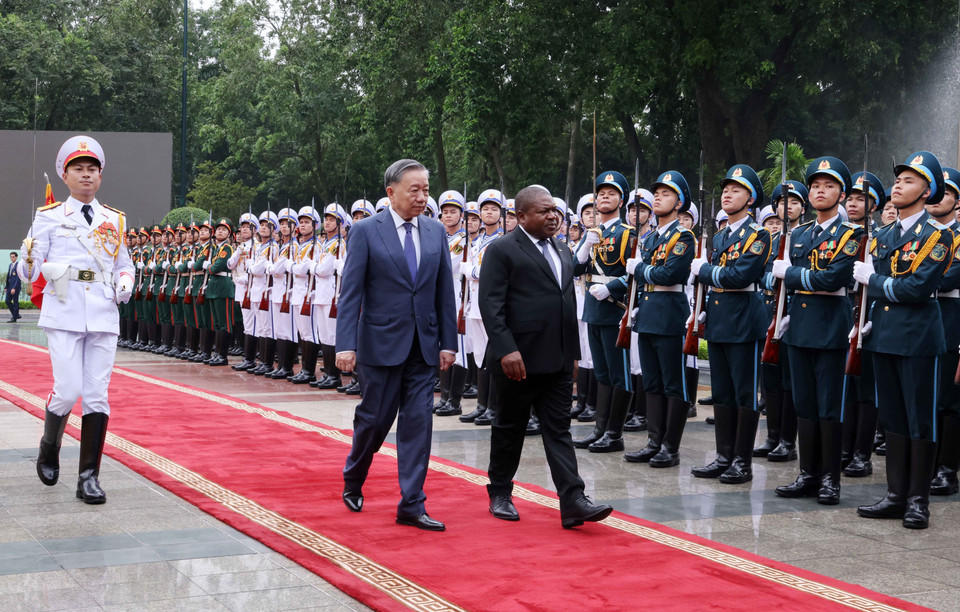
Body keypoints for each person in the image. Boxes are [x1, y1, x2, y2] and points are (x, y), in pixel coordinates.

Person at [479, 184, 613, 528]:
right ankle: (500, 492)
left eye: (554, 210)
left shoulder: (562, 249)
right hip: (518, 359)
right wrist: (506, 349)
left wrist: (573, 354)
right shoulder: (502, 249)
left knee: (559, 429)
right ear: (522, 216)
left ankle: (573, 500)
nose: (553, 216)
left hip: (557, 359)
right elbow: (491, 305)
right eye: (544, 211)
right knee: (509, 427)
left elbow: (566, 303)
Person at [337, 159, 457, 531]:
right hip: (379, 344)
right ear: (391, 193)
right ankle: (354, 476)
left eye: (426, 190)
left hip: (423, 346)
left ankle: (412, 503)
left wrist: (448, 342)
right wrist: (345, 345)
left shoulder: (435, 231)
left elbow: (444, 291)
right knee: (374, 421)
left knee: (418, 423)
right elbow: (351, 292)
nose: (422, 197)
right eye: (414, 190)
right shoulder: (365, 231)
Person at [20, 135, 134, 504]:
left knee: (97, 394)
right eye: (78, 169)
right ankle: (49, 445)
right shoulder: (48, 216)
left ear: (100, 176)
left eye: (92, 169)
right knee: (68, 390)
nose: (86, 175)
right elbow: (29, 269)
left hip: (102, 310)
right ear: (65, 176)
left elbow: (124, 264)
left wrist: (126, 281)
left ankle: (89, 478)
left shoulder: (114, 219)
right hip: (65, 308)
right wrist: (27, 261)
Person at [855, 151, 953, 529]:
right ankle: (895, 495)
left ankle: (918, 501)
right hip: (884, 334)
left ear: (927, 192)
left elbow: (916, 288)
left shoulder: (937, 236)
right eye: (897, 179)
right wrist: (863, 321)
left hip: (917, 338)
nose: (898, 185)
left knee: (920, 419)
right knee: (893, 418)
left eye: (909, 180)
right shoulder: (881, 236)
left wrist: (873, 281)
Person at [773, 157, 861, 505]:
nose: (820, 191)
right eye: (815, 186)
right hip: (800, 326)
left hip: (830, 327)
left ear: (842, 194)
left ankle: (829, 479)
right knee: (805, 404)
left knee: (829, 406)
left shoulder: (852, 234)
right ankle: (808, 474)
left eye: (828, 186)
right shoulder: (800, 233)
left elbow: (832, 278)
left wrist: (791, 275)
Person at [690, 164, 771, 484]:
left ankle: (742, 462)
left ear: (750, 199)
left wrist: (705, 271)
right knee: (722, 392)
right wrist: (704, 308)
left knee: (743, 392)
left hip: (744, 320)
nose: (727, 194)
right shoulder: (721, 235)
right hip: (721, 318)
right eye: (725, 189)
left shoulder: (758, 235)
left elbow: (740, 275)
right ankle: (724, 456)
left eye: (736, 190)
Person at [623, 171, 696, 467]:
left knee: (673, 382)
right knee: (651, 381)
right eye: (657, 193)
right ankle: (654, 442)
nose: (658, 198)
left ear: (679, 203)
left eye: (666, 194)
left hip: (669, 314)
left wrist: (639, 269)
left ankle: (670, 447)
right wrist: (637, 303)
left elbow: (670, 274)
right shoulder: (651, 237)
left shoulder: (683, 236)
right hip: (649, 312)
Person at [573, 171, 636, 453]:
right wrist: (586, 244)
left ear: (621, 201)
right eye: (601, 194)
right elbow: (575, 268)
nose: (605, 198)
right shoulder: (593, 233)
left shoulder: (627, 233)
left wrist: (612, 287)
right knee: (601, 372)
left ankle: (614, 434)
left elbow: (634, 272)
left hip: (614, 308)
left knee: (618, 373)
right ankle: (600, 429)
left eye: (611, 194)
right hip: (593, 309)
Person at [929, 167, 960, 496]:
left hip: (951, 322)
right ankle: (926, 464)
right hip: (918, 325)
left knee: (948, 401)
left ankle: (947, 470)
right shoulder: (917, 234)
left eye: (946, 193)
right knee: (924, 399)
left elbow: (949, 278)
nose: (938, 198)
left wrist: (913, 280)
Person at [6, 252, 22, 322]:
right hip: (9, 286)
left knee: (15, 301)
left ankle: (14, 317)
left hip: (16, 287)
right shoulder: (10, 265)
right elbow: (8, 276)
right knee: (7, 301)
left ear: (16, 257)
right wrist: (6, 287)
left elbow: (18, 278)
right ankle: (16, 314)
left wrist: (14, 288)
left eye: (13, 257)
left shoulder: (18, 266)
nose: (12, 258)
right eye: (11, 257)